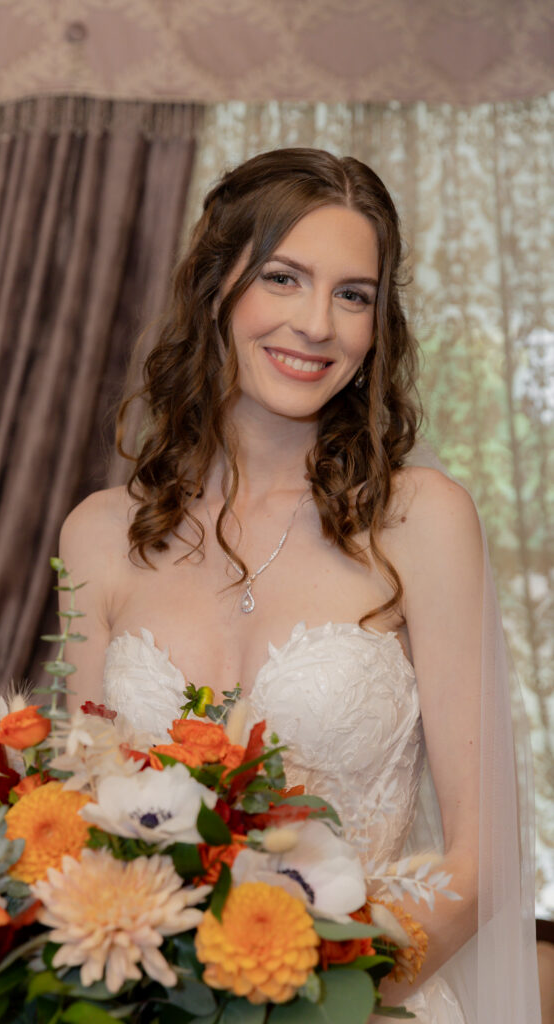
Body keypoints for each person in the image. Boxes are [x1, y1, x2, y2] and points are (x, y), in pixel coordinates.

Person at [59, 148, 540, 1023]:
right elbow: (74, 835)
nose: (317, 323)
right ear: (215, 286)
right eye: (283, 278)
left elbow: (479, 863)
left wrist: (309, 1007)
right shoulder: (96, 536)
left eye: (353, 295)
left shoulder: (420, 522)